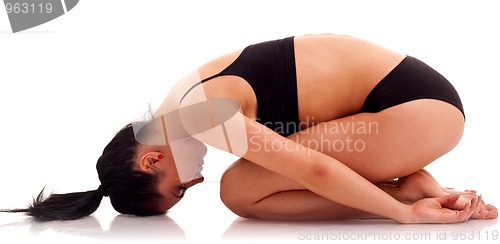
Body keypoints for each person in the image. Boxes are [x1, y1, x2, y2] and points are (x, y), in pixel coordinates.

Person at [2, 34, 497, 223]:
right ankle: (417, 186)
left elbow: (316, 169)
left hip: (418, 110)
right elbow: (325, 138)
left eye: (179, 187)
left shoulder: (197, 114)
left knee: (239, 189)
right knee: (250, 176)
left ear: (152, 158)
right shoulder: (184, 105)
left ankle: (408, 197)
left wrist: (400, 218)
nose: (195, 182)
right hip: (414, 114)